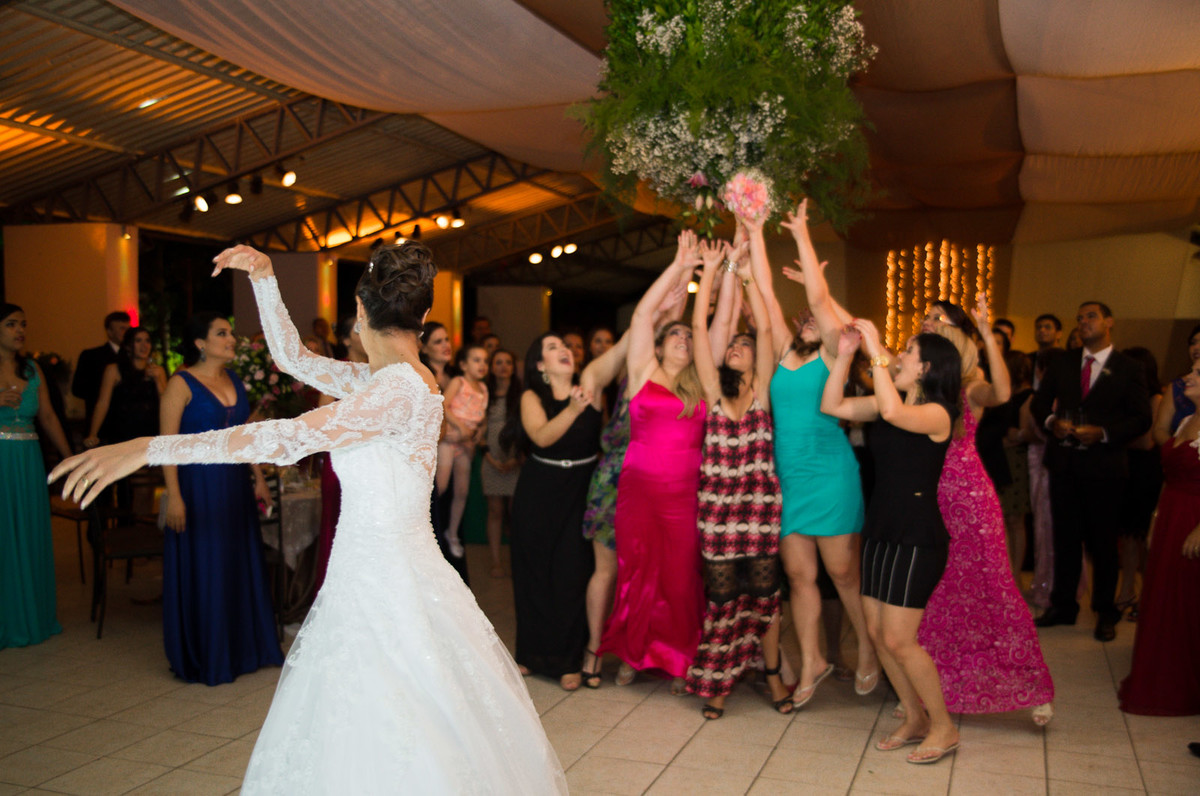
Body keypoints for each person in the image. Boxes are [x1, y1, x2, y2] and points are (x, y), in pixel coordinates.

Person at [52, 242, 568, 793]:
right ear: (418, 320)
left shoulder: (396, 389)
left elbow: (288, 436)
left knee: (393, 725)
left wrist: (149, 447)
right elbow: (293, 359)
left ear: (360, 312)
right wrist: (265, 279)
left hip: (387, 580)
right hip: (369, 570)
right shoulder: (389, 378)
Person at [752, 200, 879, 705]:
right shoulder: (784, 351)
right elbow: (763, 290)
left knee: (844, 573)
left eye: (813, 318)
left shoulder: (833, 352)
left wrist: (803, 236)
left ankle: (867, 649)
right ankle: (813, 661)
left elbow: (823, 301)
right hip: (787, 478)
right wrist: (754, 228)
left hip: (830, 472)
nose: (807, 320)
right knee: (800, 577)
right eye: (802, 317)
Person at [821, 321, 962, 764]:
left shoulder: (939, 413)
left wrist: (877, 349)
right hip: (881, 529)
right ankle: (917, 720)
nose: (898, 357)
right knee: (880, 635)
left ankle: (944, 725)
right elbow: (833, 405)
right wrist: (845, 353)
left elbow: (899, 416)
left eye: (907, 352)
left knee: (901, 639)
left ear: (927, 368)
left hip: (917, 536)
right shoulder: (888, 402)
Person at [918, 302, 1055, 724]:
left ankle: (1031, 687)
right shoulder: (920, 376)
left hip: (969, 497)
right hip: (927, 495)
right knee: (938, 593)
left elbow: (1002, 394)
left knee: (992, 590)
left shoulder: (971, 382)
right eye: (925, 315)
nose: (927, 319)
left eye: (937, 317)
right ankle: (938, 684)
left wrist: (982, 328)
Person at [684, 238, 791, 719]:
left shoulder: (763, 393)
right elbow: (698, 330)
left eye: (744, 345)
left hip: (760, 511)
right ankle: (721, 678)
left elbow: (765, 328)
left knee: (765, 598)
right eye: (733, 345)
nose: (739, 347)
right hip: (717, 513)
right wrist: (710, 271)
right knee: (724, 599)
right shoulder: (711, 390)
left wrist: (745, 273)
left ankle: (770, 676)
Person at [599, 232, 707, 691]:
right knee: (637, 572)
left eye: (687, 334)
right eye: (675, 334)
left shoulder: (703, 381)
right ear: (659, 346)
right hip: (638, 492)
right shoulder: (643, 371)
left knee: (681, 578)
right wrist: (680, 265)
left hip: (685, 494)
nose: (682, 338)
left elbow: (705, 330)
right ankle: (635, 655)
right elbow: (644, 314)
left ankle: (681, 657)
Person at [155, 312, 281, 685]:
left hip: (233, 485)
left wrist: (257, 475)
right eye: (222, 333)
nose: (231, 339)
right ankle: (210, 653)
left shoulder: (234, 379)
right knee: (207, 565)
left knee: (236, 562)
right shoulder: (180, 384)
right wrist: (174, 496)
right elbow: (166, 446)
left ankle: (245, 648)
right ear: (200, 343)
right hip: (198, 486)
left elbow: (242, 436)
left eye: (231, 332)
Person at [507, 331, 622, 690]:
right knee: (534, 573)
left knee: (572, 572)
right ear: (541, 365)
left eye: (567, 346)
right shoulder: (532, 395)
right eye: (553, 348)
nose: (565, 351)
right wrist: (573, 409)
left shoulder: (591, 385)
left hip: (581, 489)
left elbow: (625, 346)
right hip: (539, 490)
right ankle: (531, 654)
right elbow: (540, 436)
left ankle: (569, 660)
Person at [1031, 301, 1153, 642]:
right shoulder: (1064, 362)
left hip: (1105, 468)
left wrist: (1103, 432)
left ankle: (1105, 611)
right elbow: (1040, 403)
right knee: (1065, 539)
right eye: (1080, 318)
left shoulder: (1128, 367)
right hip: (1065, 463)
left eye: (1091, 316)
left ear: (1109, 322)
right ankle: (1063, 606)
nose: (1083, 322)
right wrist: (1052, 422)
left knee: (1102, 543)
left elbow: (1141, 418)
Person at [1118, 361, 1200, 716]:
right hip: (1171, 513)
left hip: (1195, 520)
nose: (1187, 378)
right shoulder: (1186, 421)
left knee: (1186, 603)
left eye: (1198, 373)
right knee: (1162, 595)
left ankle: (1182, 686)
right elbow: (1170, 476)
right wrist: (1155, 517)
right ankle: (1157, 676)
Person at [1, 303, 72, 649]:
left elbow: (47, 417)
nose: (20, 331)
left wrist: (71, 460)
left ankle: (34, 615)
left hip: (28, 460)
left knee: (29, 534)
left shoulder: (32, 370)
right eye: (11, 324)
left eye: (23, 325)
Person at [1115, 347, 1164, 617]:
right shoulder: (1126, 398)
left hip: (1146, 473)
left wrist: (1113, 437)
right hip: (1125, 469)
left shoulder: (1156, 398)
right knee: (1127, 536)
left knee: (1143, 538)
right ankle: (1126, 592)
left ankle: (1146, 597)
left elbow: (1148, 442)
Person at [436, 344, 488, 559]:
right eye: (476, 360)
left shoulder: (484, 389)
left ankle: (453, 532)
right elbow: (443, 405)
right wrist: (461, 427)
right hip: (450, 439)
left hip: (466, 444)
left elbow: (481, 417)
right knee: (441, 485)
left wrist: (478, 432)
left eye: (485, 360)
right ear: (463, 364)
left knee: (462, 490)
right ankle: (433, 527)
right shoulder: (459, 382)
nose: (482, 365)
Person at [84, 326, 166, 448]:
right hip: (123, 432)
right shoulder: (114, 370)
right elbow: (103, 403)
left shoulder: (157, 370)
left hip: (150, 432)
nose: (144, 345)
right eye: (138, 341)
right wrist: (93, 434)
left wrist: (158, 380)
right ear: (128, 346)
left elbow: (167, 404)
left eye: (147, 341)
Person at [481, 348, 521, 577]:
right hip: (491, 460)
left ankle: (517, 559)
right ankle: (496, 562)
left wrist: (516, 458)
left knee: (515, 513)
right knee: (495, 511)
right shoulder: (484, 393)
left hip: (516, 460)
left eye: (508, 362)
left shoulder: (521, 395)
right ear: (491, 367)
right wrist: (490, 458)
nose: (503, 366)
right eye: (498, 362)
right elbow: (479, 430)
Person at [72, 310, 131, 425]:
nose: (126, 333)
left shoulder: (132, 358)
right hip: (103, 423)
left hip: (127, 423)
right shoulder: (91, 356)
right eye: (122, 329)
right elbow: (78, 388)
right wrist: (107, 386)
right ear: (109, 332)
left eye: (128, 329)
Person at [1153, 323, 1200, 440]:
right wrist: (1177, 451)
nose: (1196, 347)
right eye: (1193, 343)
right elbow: (1160, 429)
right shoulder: (1179, 386)